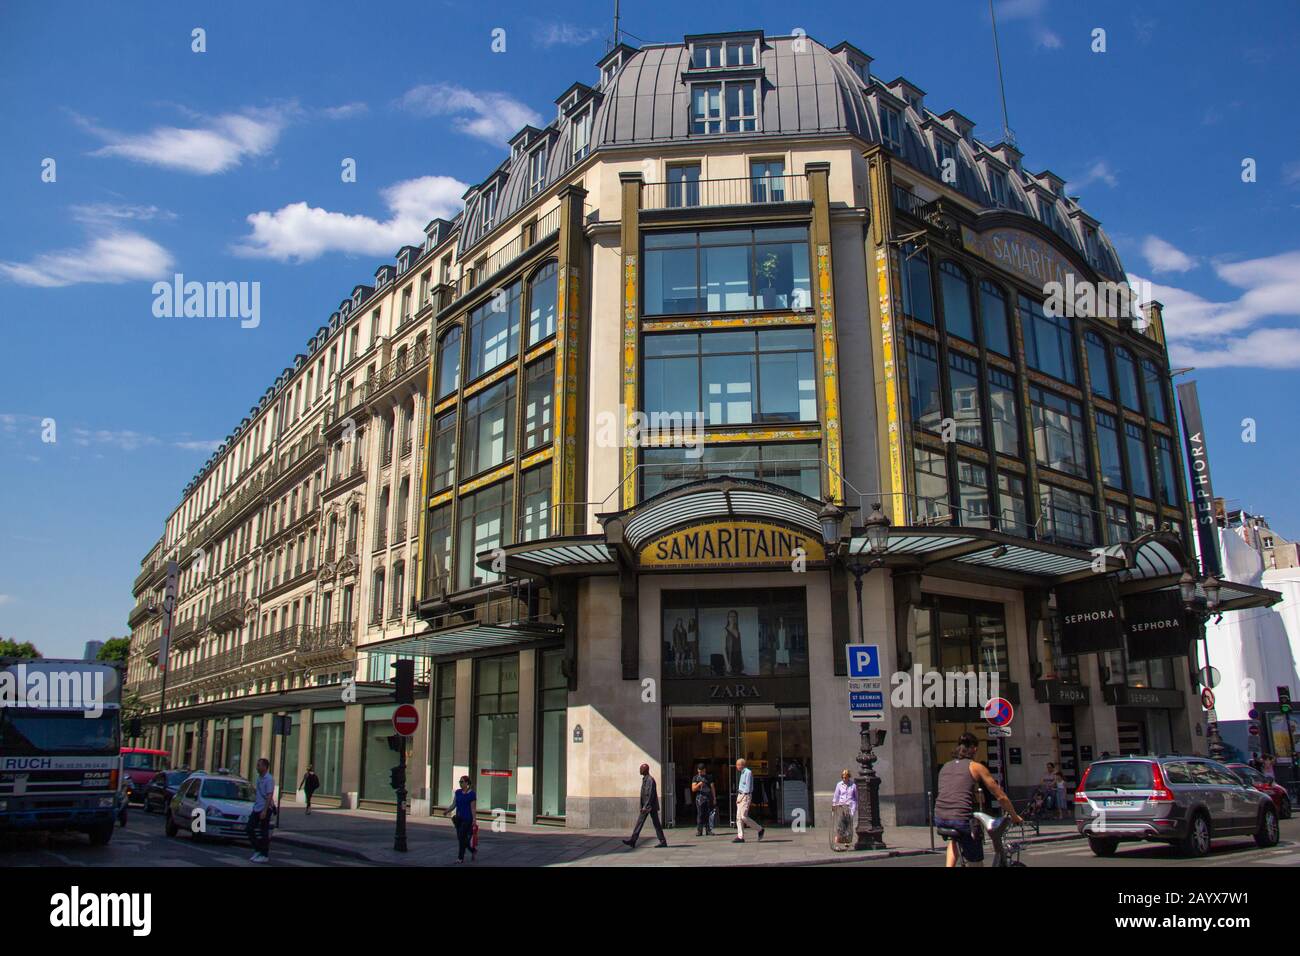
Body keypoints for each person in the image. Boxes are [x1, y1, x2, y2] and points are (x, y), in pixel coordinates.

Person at [933, 732, 1022, 867]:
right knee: (976, 860)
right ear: (974, 749)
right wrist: (1015, 816)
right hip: (960, 819)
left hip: (940, 818)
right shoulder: (975, 767)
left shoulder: (945, 766)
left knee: (955, 840)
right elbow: (1000, 796)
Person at [623, 763, 668, 848]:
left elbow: (650, 794)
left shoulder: (650, 780)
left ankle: (662, 841)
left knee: (655, 824)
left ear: (646, 770)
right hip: (646, 806)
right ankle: (633, 840)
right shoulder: (645, 779)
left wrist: (646, 806)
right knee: (641, 823)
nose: (640, 770)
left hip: (650, 806)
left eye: (641, 769)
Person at [247, 757, 275, 864]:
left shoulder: (269, 779)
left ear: (265, 767)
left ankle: (264, 854)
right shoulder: (259, 778)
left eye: (259, 765)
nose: (257, 767)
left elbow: (269, 796)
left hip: (265, 808)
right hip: (257, 807)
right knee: (249, 828)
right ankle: (258, 849)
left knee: (264, 832)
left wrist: (264, 810)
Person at [445, 775, 477, 863]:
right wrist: (447, 811)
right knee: (461, 838)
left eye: (462, 782)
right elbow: (454, 804)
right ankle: (472, 850)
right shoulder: (458, 792)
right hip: (459, 818)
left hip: (467, 819)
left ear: (467, 783)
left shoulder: (472, 794)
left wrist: (474, 820)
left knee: (461, 836)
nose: (460, 783)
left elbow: (473, 808)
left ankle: (460, 858)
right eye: (460, 782)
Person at [733, 757, 764, 843]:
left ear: (741, 765)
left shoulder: (748, 773)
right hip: (740, 795)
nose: (736, 766)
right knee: (738, 817)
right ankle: (740, 836)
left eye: (737, 765)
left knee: (743, 816)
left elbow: (747, 788)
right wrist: (738, 797)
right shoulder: (742, 773)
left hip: (745, 796)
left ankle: (760, 829)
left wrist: (741, 798)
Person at [830, 769, 857, 851]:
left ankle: (847, 842)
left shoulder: (853, 785)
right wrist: (834, 806)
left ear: (849, 777)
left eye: (846, 777)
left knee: (848, 826)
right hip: (841, 807)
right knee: (840, 826)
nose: (844, 779)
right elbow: (836, 796)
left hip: (849, 807)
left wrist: (854, 808)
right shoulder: (839, 785)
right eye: (843, 777)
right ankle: (836, 843)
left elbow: (856, 798)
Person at [691, 763, 716, 836]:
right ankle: (699, 830)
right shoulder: (695, 778)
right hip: (699, 798)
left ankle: (708, 830)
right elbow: (693, 789)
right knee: (700, 814)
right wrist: (699, 784)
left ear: (704, 770)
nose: (699, 773)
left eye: (701, 771)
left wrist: (714, 798)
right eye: (698, 771)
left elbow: (712, 788)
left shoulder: (709, 777)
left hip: (708, 798)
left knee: (708, 814)